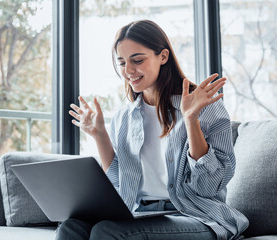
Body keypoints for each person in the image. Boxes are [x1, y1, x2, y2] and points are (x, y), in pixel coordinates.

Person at [57, 20, 249, 240]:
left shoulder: (205, 107)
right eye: (121, 63)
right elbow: (121, 188)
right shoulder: (124, 116)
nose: (128, 71)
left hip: (196, 216)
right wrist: (100, 135)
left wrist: (191, 119)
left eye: (137, 60)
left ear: (163, 57)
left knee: (106, 232)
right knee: (70, 228)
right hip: (141, 213)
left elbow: (208, 187)